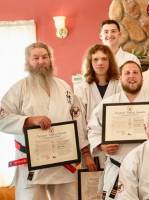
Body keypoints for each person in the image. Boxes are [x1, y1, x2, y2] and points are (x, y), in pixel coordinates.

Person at [0, 42, 88, 200]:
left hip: (63, 161)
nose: (41, 61)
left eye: (45, 57)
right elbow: (2, 117)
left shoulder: (64, 87)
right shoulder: (19, 88)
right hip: (32, 163)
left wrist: (84, 151)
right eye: (36, 58)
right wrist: (29, 120)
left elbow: (77, 118)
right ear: (28, 61)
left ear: (51, 60)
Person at [87, 61, 149, 200]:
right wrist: (101, 144)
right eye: (127, 73)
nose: (132, 76)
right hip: (118, 167)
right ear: (120, 78)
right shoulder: (107, 104)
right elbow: (93, 129)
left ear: (142, 77)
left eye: (135, 73)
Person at [75, 44, 121, 170]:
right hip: (92, 147)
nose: (100, 63)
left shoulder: (119, 85)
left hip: (117, 146)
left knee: (117, 186)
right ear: (90, 62)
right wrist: (86, 154)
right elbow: (79, 123)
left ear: (110, 61)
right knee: (93, 188)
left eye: (104, 59)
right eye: (95, 59)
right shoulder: (82, 89)